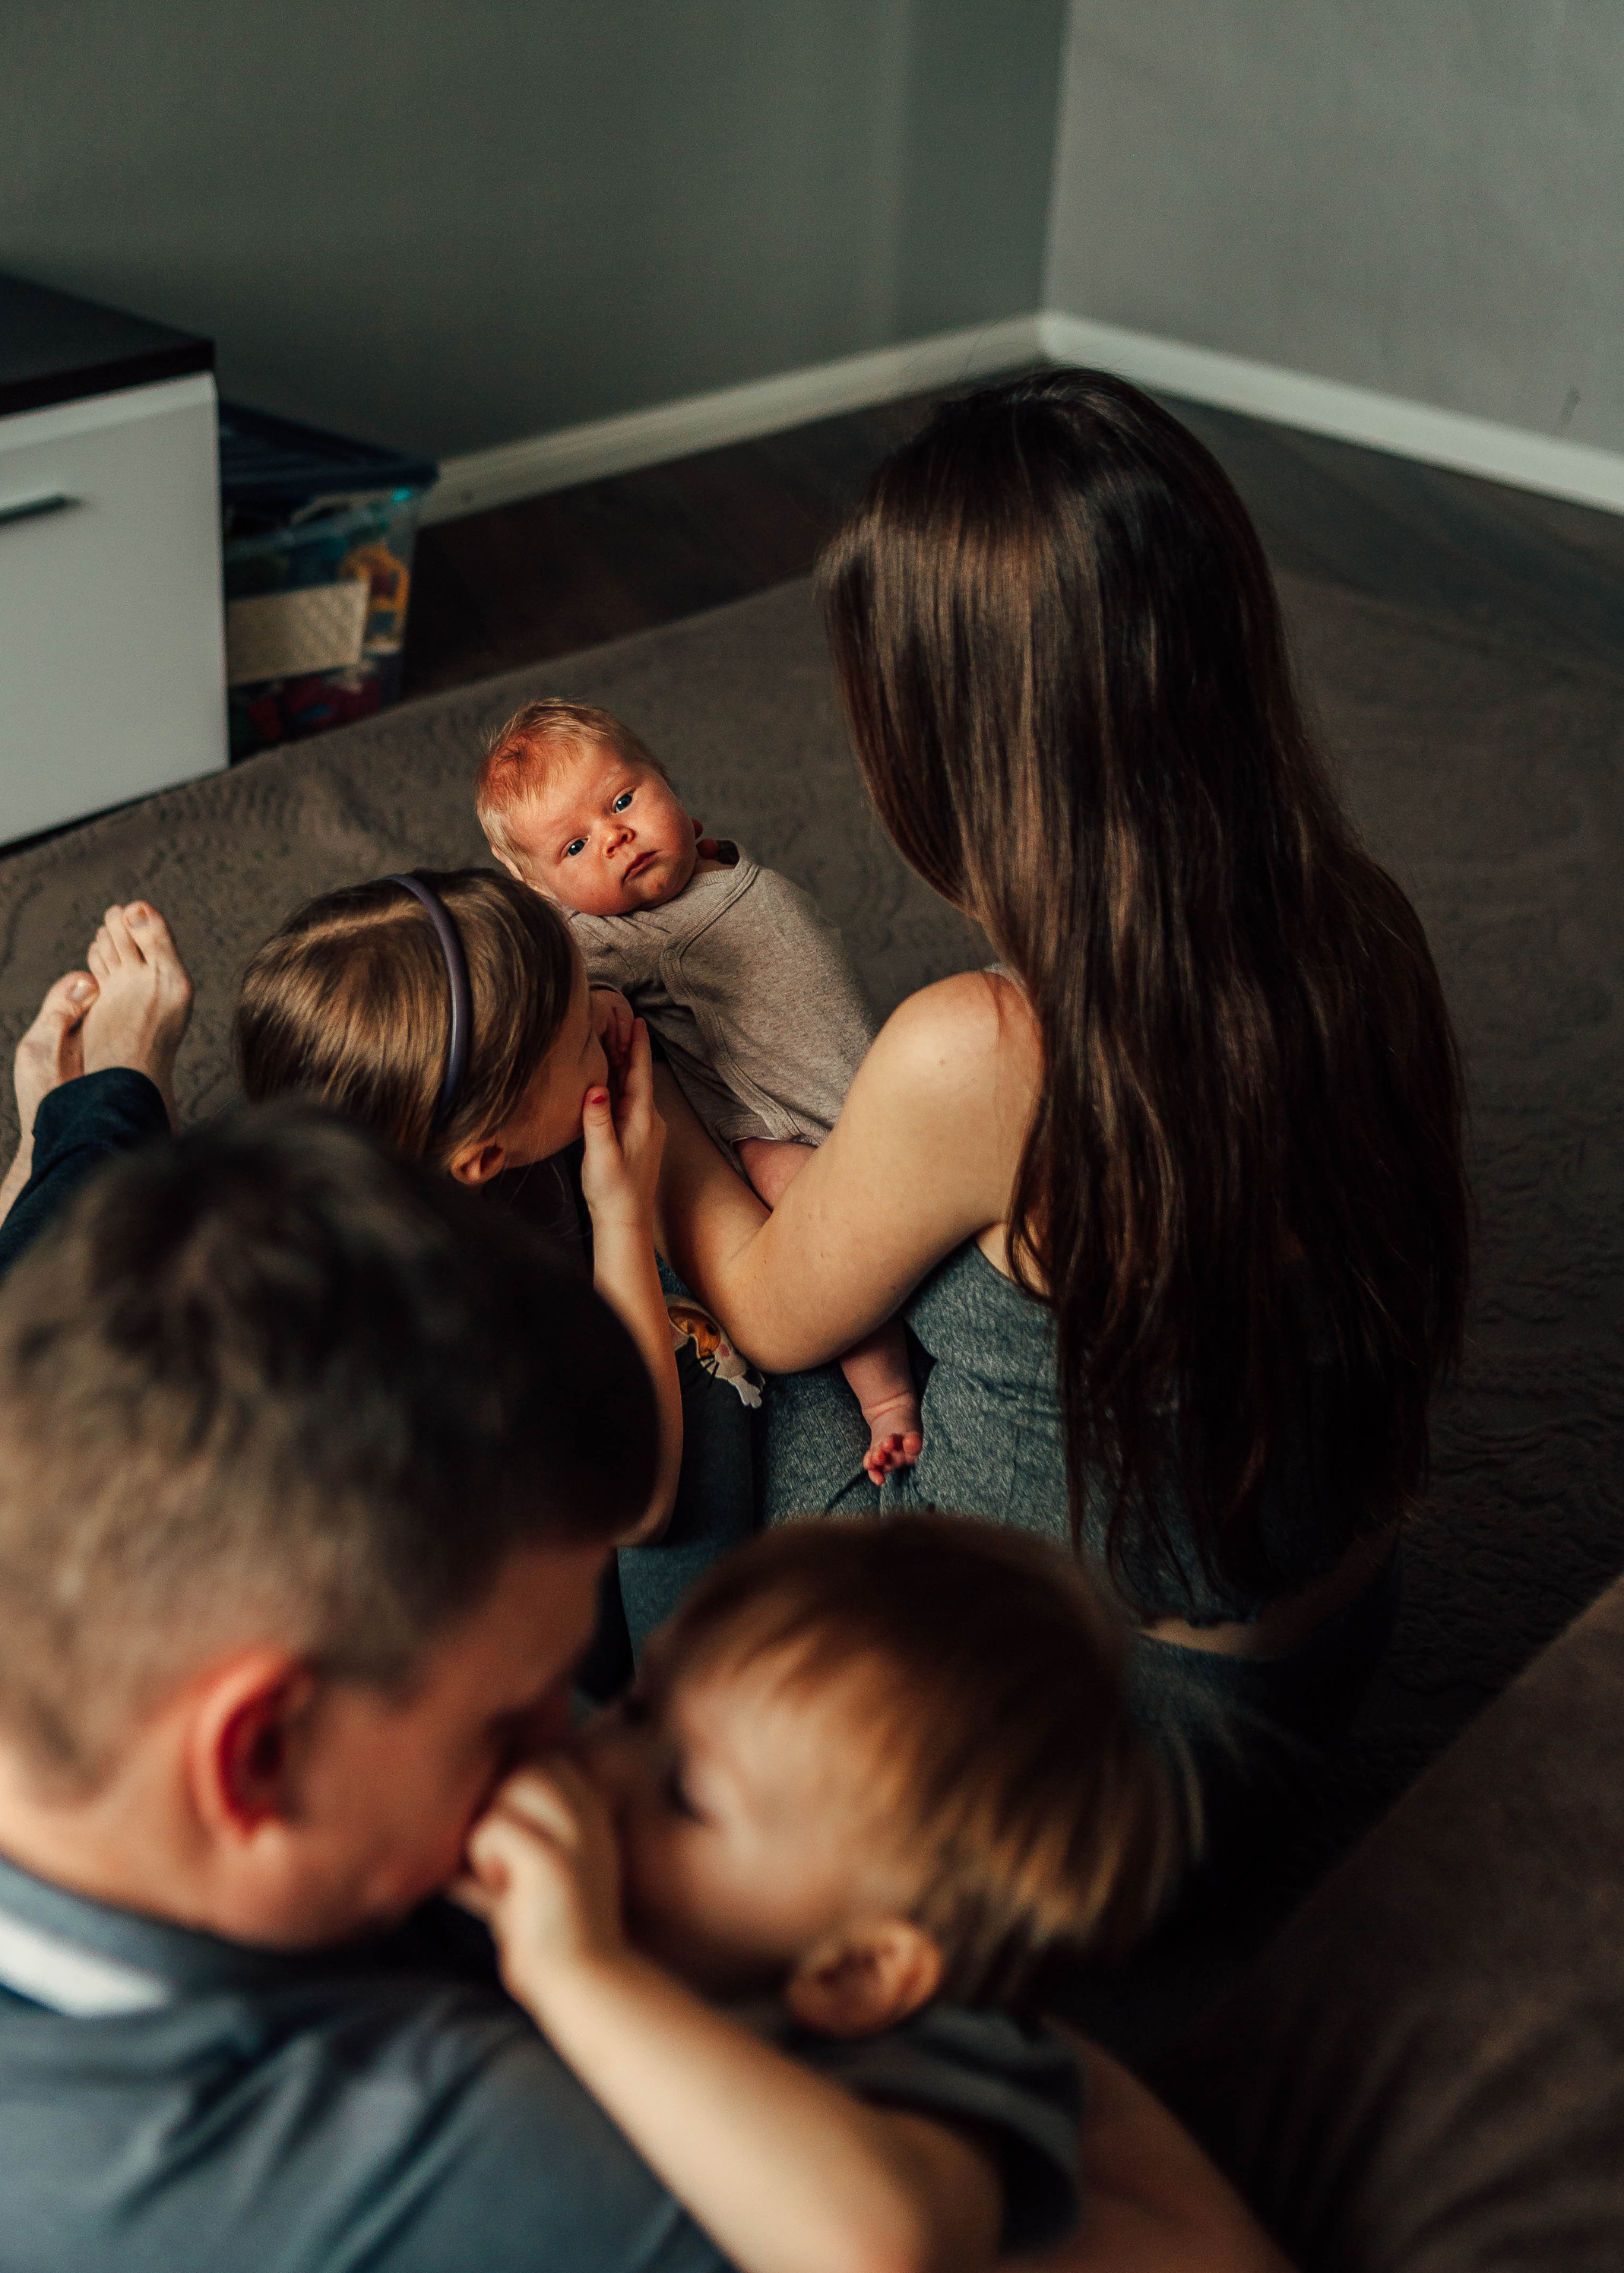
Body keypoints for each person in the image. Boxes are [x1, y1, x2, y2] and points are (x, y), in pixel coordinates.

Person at [0, 946, 1333, 2273]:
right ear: (255, 1753)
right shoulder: (412, 2171)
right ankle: (86, 1143)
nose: (563, 1741)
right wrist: (973, 2041)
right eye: (510, 1709)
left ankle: (88, 1138)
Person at [654, 371, 1470, 1840]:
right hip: (1304, 1676)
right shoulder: (1366, 924)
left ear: (958, 747)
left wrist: (651, 1112)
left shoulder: (979, 1051)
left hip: (1068, 1749)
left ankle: (651, 1694)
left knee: (656, 1297)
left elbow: (778, 1314)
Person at [459, 1517, 1175, 2273]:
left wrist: (577, 1970)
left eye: (685, 1796)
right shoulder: (656, 1899)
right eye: (637, 1705)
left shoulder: (949, 2061)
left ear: (859, 1972)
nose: (598, 1764)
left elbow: (881, 2262)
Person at [233, 866, 749, 1639]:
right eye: (583, 1038)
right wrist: (621, 1215)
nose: (612, 1010)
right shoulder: (448, 1327)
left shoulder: (395, 1147)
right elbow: (639, 1503)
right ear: (481, 1158)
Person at [476, 696, 920, 1483]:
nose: (615, 836)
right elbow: (566, 986)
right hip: (779, 1132)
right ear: (544, 889)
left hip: (871, 1075)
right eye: (575, 845)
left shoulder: (716, 860)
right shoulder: (607, 935)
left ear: (667, 781)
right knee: (831, 1244)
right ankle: (887, 1400)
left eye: (623, 801)